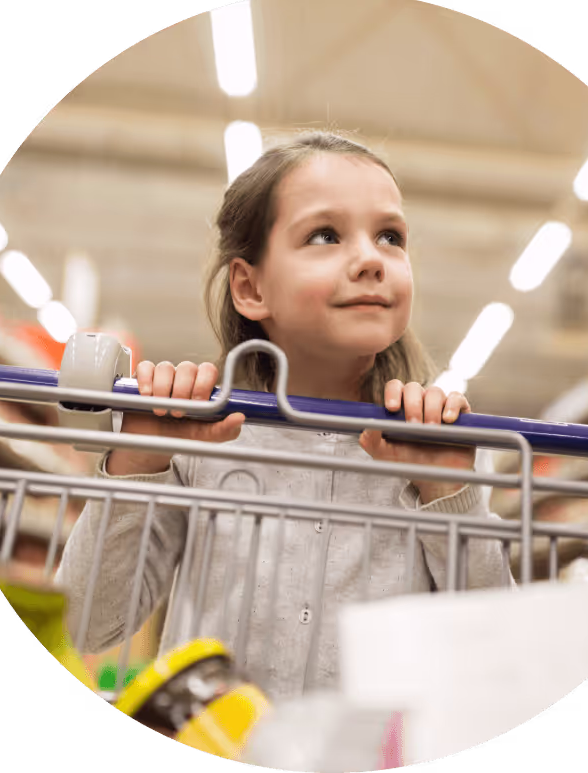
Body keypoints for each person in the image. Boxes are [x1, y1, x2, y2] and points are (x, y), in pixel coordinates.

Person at [55, 132, 516, 701]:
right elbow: (85, 625)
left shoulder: (439, 445)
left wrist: (453, 494)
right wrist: (140, 461)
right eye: (325, 235)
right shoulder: (201, 436)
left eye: (390, 236)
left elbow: (495, 652)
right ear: (250, 288)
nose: (371, 259)